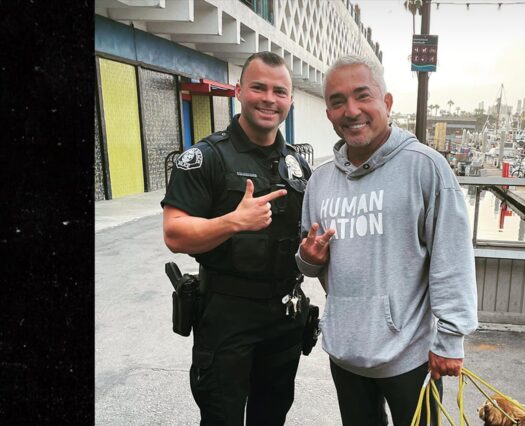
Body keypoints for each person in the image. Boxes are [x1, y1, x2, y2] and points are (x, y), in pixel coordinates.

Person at [295, 55, 478, 426]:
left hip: (411, 357)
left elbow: (452, 259)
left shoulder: (424, 167)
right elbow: (309, 261)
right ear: (328, 113)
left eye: (363, 96)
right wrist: (308, 259)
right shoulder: (320, 181)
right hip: (346, 355)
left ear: (387, 102)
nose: (351, 110)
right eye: (337, 102)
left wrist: (450, 338)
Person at [161, 51, 312, 425]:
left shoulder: (297, 164)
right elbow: (175, 232)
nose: (269, 99)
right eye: (258, 87)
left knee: (271, 416)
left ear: (290, 101)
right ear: (239, 91)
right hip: (227, 316)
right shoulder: (206, 157)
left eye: (280, 91)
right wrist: (232, 222)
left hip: (284, 315)